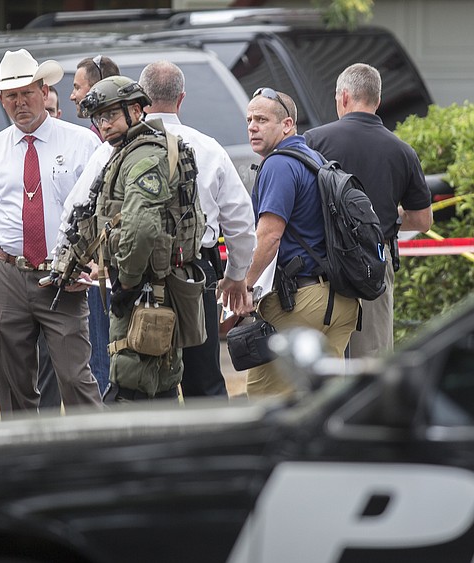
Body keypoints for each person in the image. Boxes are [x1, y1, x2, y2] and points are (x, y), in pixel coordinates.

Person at [0, 48, 102, 415]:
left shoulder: (81, 143)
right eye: (11, 96)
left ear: (43, 91)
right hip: (6, 273)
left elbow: (103, 212)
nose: (20, 103)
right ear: (1, 100)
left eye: (26, 93)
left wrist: (96, 263)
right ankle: (25, 465)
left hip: (63, 274)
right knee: (12, 385)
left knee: (75, 377)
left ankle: (96, 462)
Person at [77, 75, 205, 402]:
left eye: (110, 115)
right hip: (147, 286)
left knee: (133, 377)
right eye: (98, 118)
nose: (103, 125)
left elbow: (142, 227)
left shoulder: (144, 156)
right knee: (153, 377)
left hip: (146, 288)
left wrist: (128, 281)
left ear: (135, 110)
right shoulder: (130, 151)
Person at [137, 61, 256, 398]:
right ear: (182, 98)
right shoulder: (208, 148)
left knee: (144, 380)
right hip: (195, 272)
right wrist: (235, 275)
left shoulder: (117, 149)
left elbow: (80, 206)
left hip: (138, 276)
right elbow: (241, 222)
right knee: (203, 380)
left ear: (141, 98)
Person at [304, 63, 432, 358]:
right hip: (373, 263)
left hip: (319, 264)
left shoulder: (313, 142)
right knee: (371, 362)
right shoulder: (402, 150)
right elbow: (423, 221)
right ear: (377, 100)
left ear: (344, 97)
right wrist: (389, 214)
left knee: (319, 362)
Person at [240, 88, 359, 397]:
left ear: (287, 124)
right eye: (249, 119)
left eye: (262, 119)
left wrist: (244, 284)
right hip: (342, 301)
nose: (253, 126)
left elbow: (270, 235)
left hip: (301, 303)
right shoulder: (314, 158)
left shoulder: (278, 164)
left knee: (264, 403)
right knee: (321, 403)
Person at [68, 54, 120, 395]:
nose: (72, 95)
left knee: (103, 358)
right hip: (99, 265)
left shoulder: (101, 145)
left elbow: (81, 207)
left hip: (104, 267)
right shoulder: (93, 139)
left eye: (77, 87)